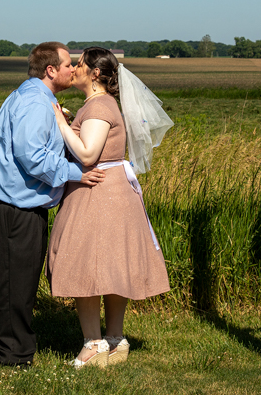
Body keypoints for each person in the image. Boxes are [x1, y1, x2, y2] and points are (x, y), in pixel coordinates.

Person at [0, 41, 106, 366]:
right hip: (10, 206)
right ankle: (14, 356)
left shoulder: (38, 98)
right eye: (67, 65)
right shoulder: (35, 102)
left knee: (20, 281)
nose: (73, 70)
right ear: (51, 70)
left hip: (18, 203)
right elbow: (31, 156)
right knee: (13, 283)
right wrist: (76, 173)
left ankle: (17, 350)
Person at [46, 47, 173, 368]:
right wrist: (73, 120)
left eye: (79, 64)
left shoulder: (100, 105)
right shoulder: (99, 104)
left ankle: (94, 344)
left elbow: (88, 155)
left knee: (85, 263)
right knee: (113, 266)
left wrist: (61, 122)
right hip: (113, 192)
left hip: (99, 193)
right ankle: (115, 341)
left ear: (95, 74)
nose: (73, 69)